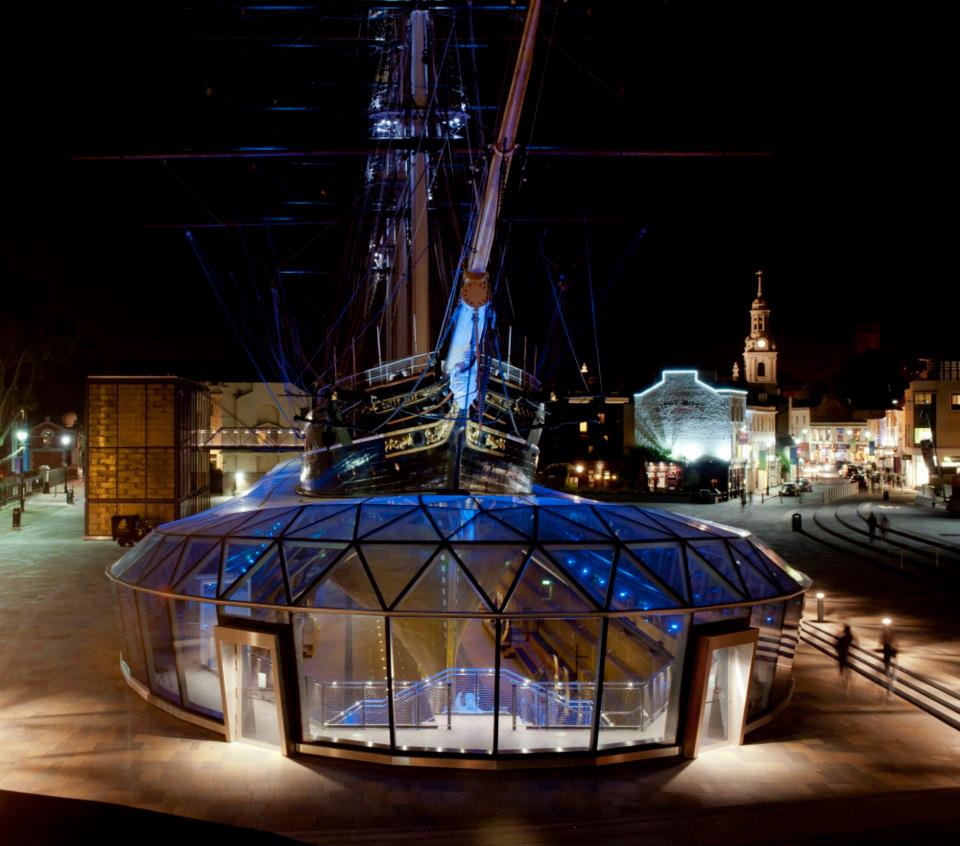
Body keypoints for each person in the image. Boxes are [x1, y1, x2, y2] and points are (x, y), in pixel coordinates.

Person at [835, 624, 855, 693]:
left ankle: (842, 677)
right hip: (845, 652)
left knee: (842, 665)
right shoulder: (849, 636)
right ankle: (846, 678)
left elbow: (837, 643)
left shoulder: (844, 637)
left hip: (842, 653)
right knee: (846, 665)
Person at [880, 629, 898, 700]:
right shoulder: (887, 642)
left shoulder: (887, 644)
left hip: (888, 660)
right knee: (889, 675)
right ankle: (889, 689)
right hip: (889, 660)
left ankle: (889, 689)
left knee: (888, 674)